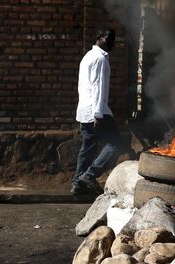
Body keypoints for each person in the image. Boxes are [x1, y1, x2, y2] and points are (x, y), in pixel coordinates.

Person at [71, 27, 127, 195]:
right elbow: (98, 88)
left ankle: (77, 185)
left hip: (85, 111)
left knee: (87, 148)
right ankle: (89, 175)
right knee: (116, 144)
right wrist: (97, 114)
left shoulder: (88, 56)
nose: (111, 42)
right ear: (99, 37)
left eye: (113, 39)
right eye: (109, 38)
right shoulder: (100, 59)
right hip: (96, 111)